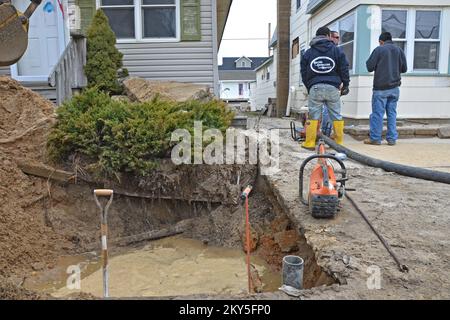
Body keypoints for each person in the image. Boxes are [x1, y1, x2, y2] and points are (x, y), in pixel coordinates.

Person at [300, 26, 350, 150]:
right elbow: (344, 68)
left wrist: (309, 85)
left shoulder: (308, 53)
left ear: (316, 36)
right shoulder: (337, 51)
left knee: (313, 116)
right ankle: (338, 143)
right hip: (333, 88)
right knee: (336, 115)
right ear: (328, 36)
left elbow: (303, 72)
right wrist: (345, 84)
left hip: (315, 88)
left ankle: (310, 143)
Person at [365, 32, 407, 146]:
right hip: (394, 88)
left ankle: (375, 139)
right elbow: (404, 69)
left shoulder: (379, 50)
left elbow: (369, 67)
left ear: (381, 41)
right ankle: (392, 139)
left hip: (380, 88)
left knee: (378, 114)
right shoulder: (399, 50)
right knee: (392, 114)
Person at [321, 30, 341, 136]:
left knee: (328, 109)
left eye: (338, 37)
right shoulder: (334, 51)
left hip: (331, 84)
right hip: (329, 85)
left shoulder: (335, 51)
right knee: (329, 110)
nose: (338, 40)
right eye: (336, 37)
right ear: (330, 38)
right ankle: (326, 132)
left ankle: (327, 132)